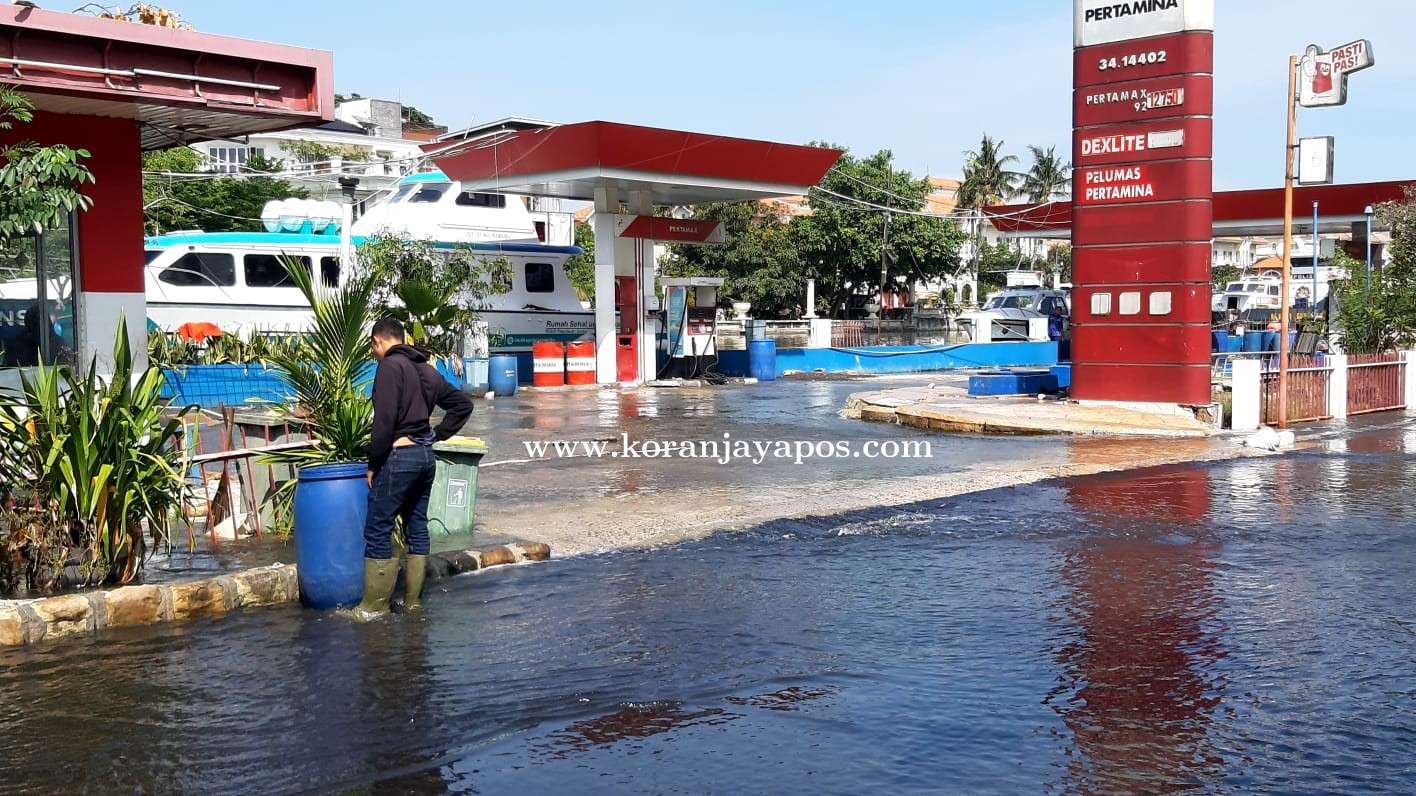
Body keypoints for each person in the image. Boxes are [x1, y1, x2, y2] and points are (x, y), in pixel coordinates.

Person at [350, 317, 473, 619]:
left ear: (377, 341)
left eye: (373, 348)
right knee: (416, 525)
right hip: (425, 458)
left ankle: (373, 609)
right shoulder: (427, 371)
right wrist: (436, 435)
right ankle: (412, 601)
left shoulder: (390, 367)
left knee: (378, 527)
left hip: (400, 457)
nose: (375, 354)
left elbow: (384, 422)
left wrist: (373, 463)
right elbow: (462, 404)